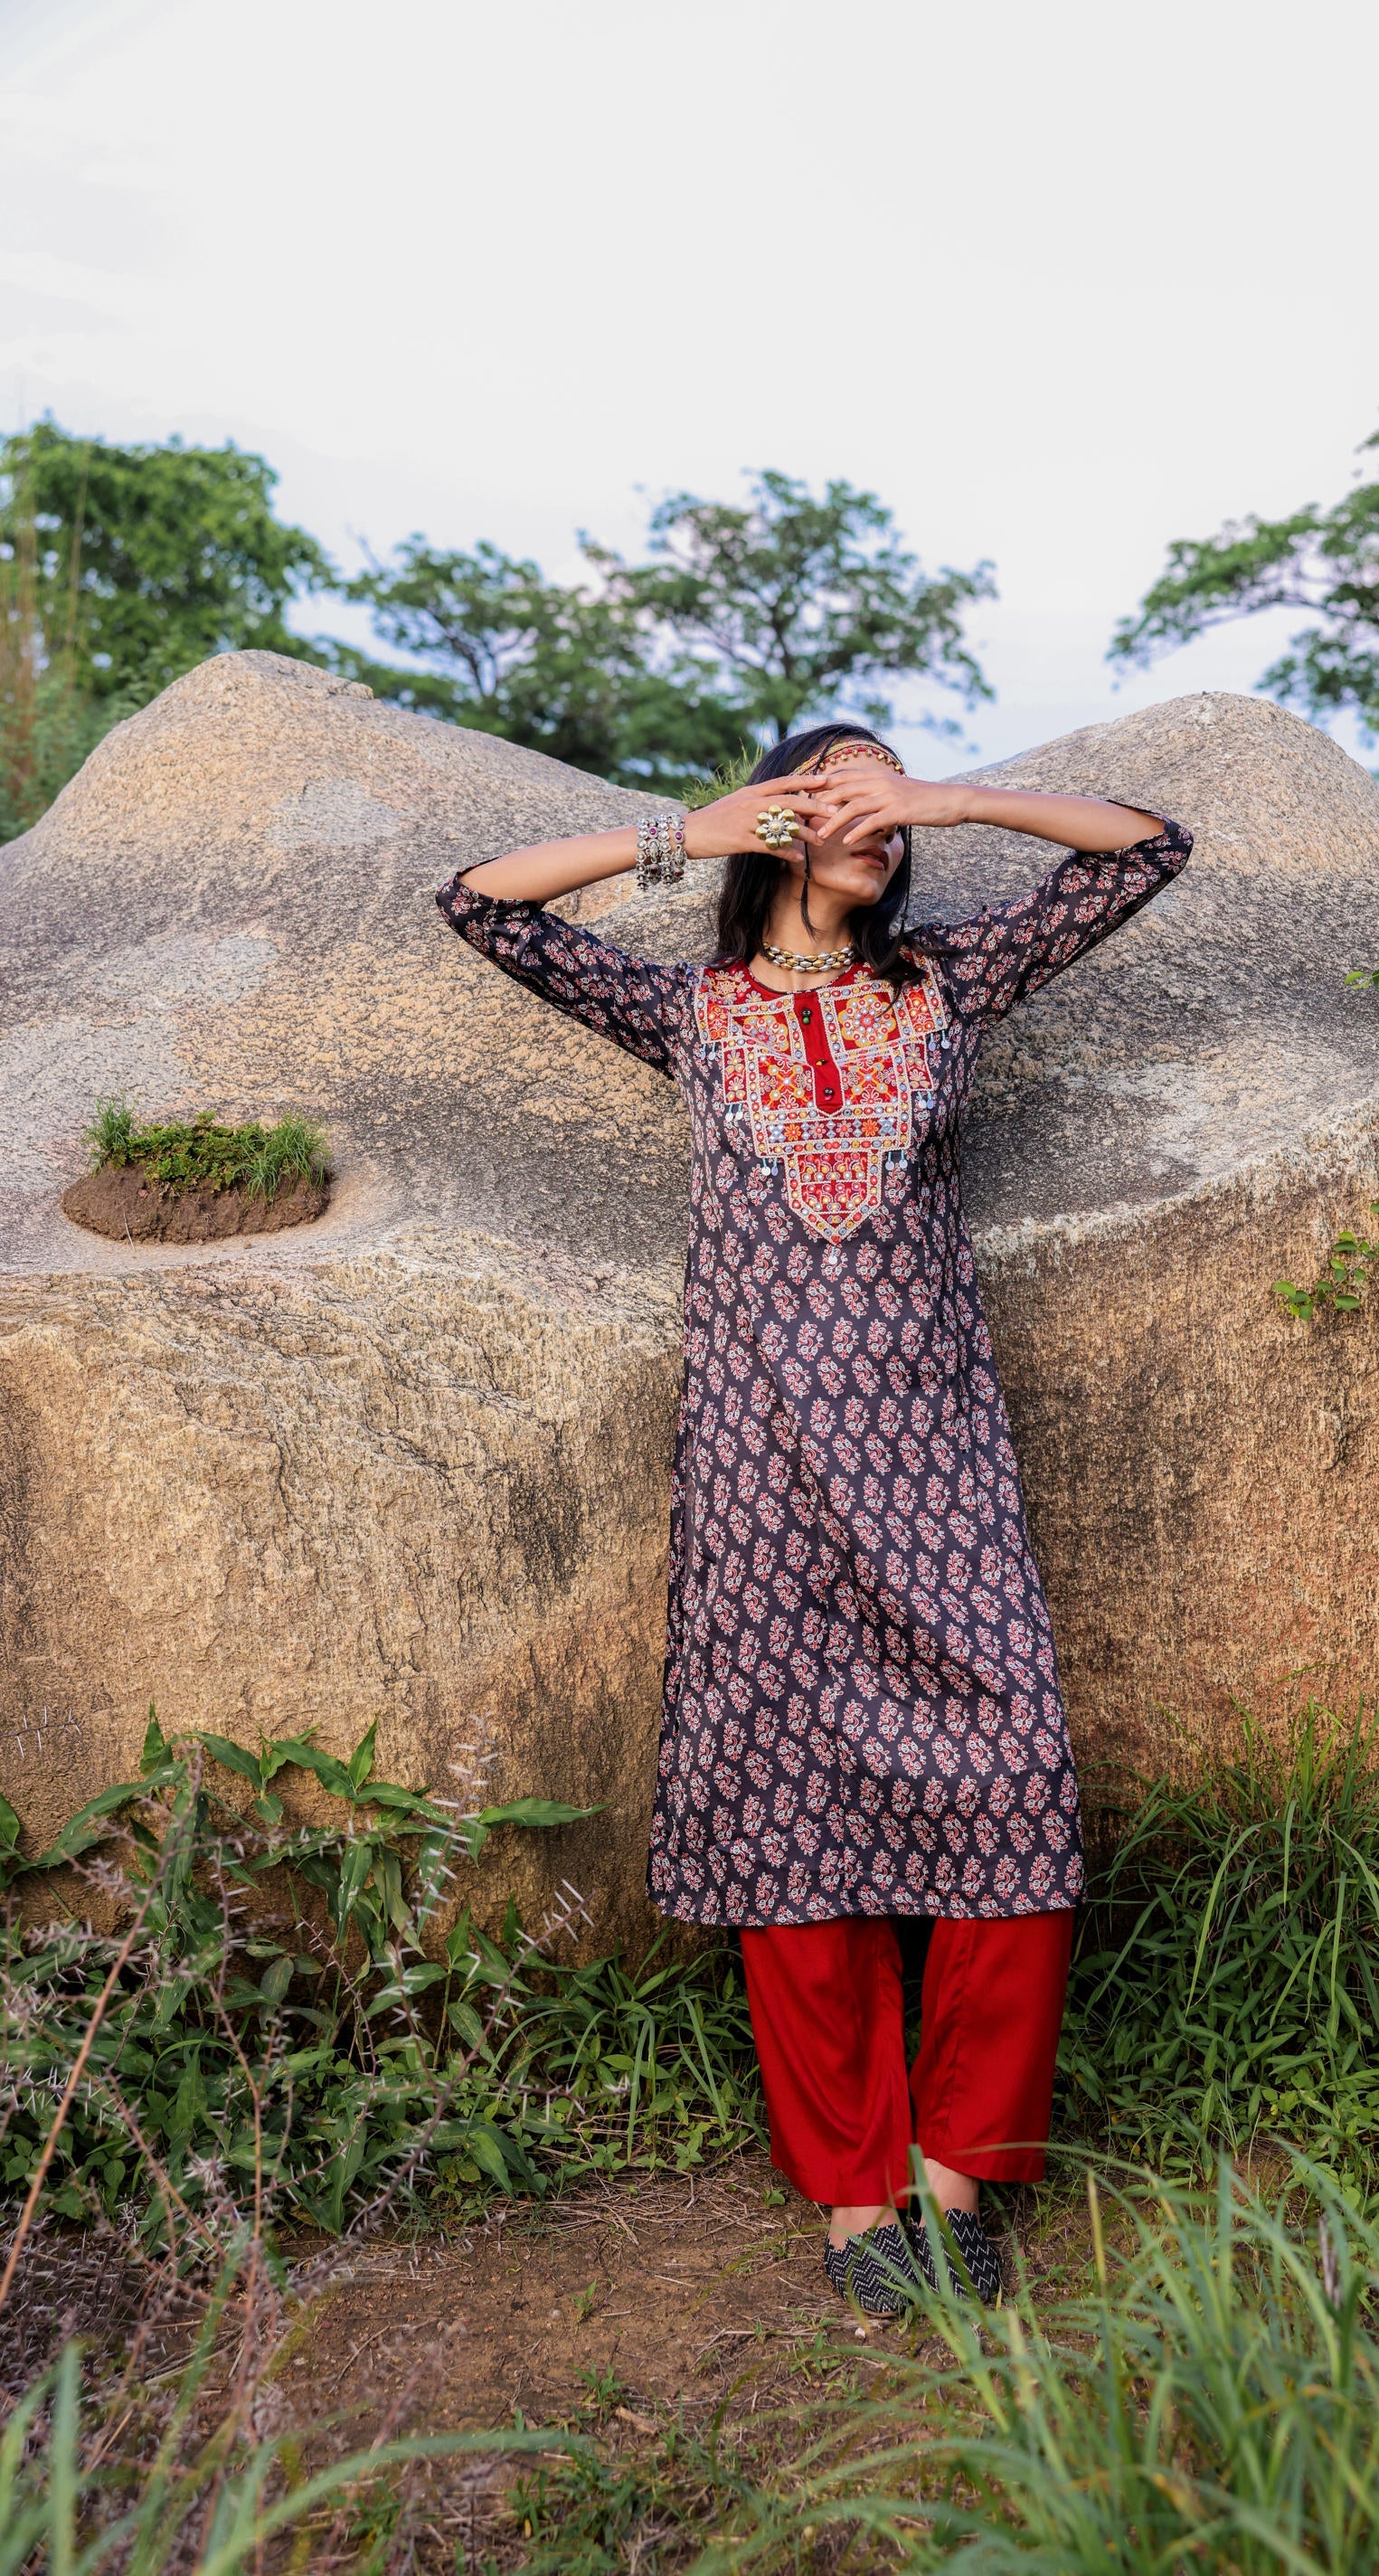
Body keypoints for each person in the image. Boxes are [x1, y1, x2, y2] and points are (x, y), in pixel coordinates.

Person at [438, 725, 1191, 2316]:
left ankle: (960, 2173)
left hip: (939, 1466)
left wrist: (956, 798)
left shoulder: (944, 989)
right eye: (844, 785)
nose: (877, 815)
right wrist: (691, 834)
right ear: (783, 817)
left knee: (1013, 1777)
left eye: (890, 795)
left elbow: (1146, 851)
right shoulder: (692, 1009)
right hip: (759, 1473)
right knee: (790, 1817)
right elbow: (484, 904)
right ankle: (856, 2202)